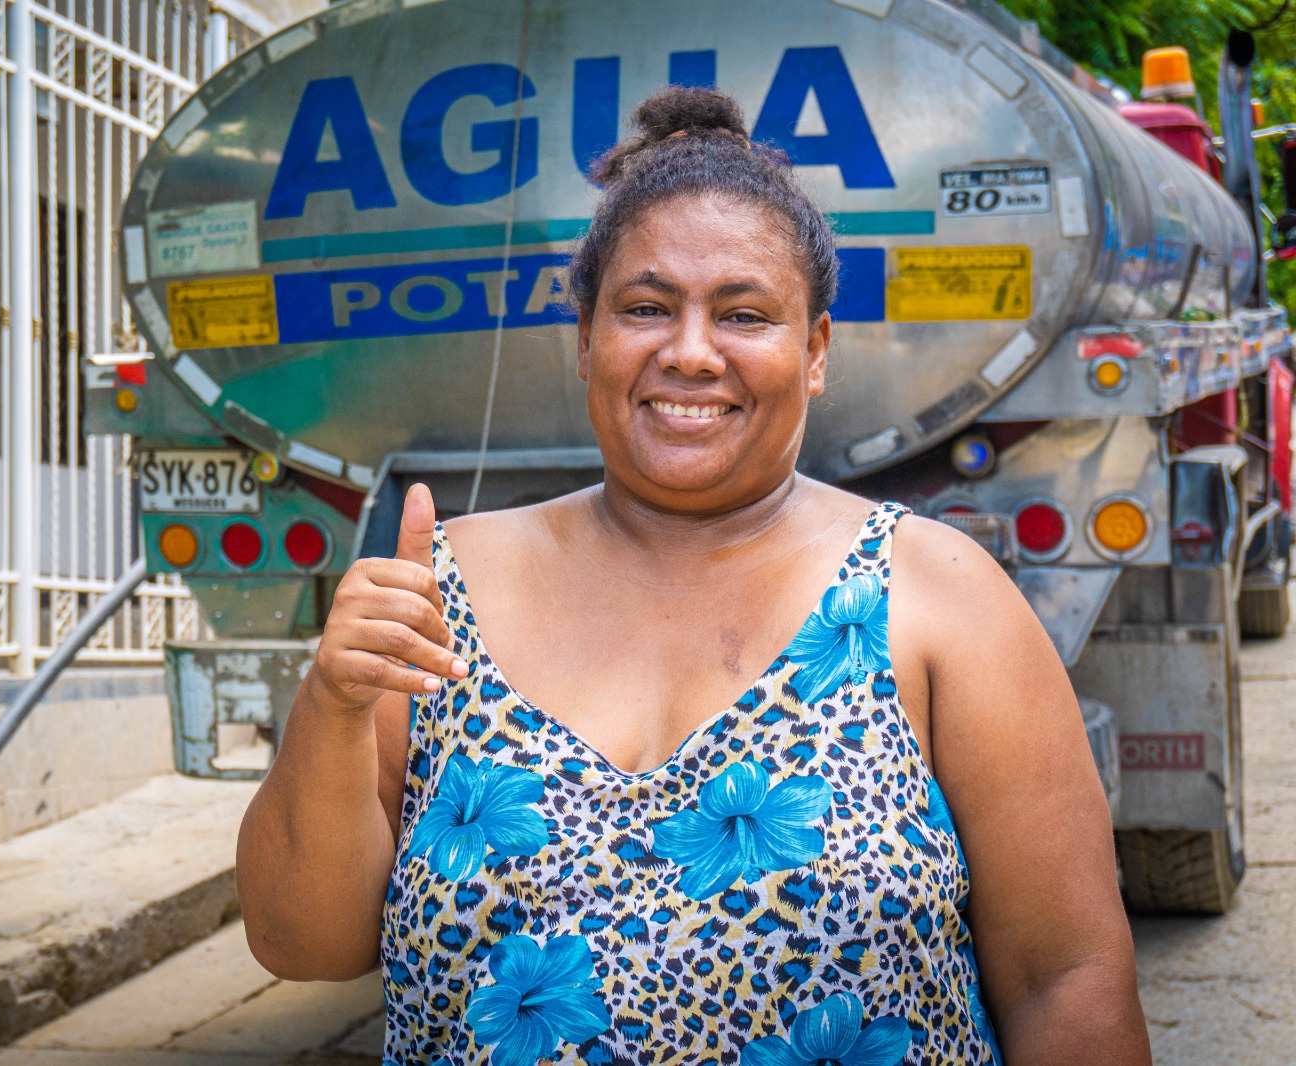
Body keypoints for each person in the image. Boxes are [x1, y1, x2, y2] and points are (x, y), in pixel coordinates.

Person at [237, 85, 1149, 1065]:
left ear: (814, 351)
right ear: (585, 339)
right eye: (645, 307)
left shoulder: (934, 596)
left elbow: (1067, 978)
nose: (690, 352)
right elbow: (304, 943)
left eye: (744, 314)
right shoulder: (440, 591)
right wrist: (332, 705)